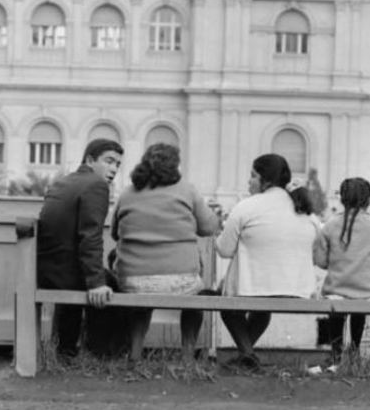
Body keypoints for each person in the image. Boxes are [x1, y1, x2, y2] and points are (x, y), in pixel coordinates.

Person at [111, 143, 220, 364]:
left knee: (141, 298)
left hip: (133, 280)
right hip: (182, 280)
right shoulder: (187, 190)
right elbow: (209, 228)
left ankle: (135, 355)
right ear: (175, 166)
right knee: (196, 298)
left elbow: (115, 233)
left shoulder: (127, 193)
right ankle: (188, 357)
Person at [215, 153, 318, 370]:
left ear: (265, 179)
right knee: (262, 306)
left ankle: (247, 355)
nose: (248, 181)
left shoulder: (247, 207)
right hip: (298, 289)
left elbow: (224, 250)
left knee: (227, 306)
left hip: (256, 289)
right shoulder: (303, 209)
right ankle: (246, 357)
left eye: (253, 176)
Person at [37, 138, 124, 359]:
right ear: (90, 160)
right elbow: (90, 237)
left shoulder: (63, 182)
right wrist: (96, 284)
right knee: (111, 284)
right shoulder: (96, 185)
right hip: (64, 273)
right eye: (109, 161)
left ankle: (66, 350)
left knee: (93, 275)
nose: (114, 169)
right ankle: (102, 355)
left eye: (118, 164)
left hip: (46, 270)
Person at [313, 177, 370, 365]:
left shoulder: (330, 225)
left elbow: (321, 262)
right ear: (367, 200)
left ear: (342, 199)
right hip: (367, 290)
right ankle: (354, 351)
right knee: (359, 309)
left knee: (336, 310)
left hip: (336, 289)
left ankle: (336, 354)